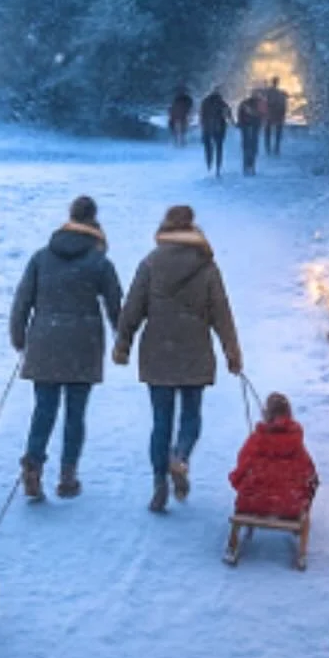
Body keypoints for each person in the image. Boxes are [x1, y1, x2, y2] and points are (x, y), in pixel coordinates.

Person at [113, 204, 243, 513]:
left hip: (158, 349)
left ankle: (160, 483)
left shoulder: (151, 263)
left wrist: (123, 344)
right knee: (191, 415)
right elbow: (221, 312)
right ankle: (180, 457)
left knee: (161, 420)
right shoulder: (206, 266)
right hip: (194, 349)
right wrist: (232, 351)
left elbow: (133, 307)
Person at [9, 194, 122, 500]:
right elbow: (115, 305)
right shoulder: (99, 262)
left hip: (45, 339)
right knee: (75, 413)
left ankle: (33, 464)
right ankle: (67, 476)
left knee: (44, 408)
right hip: (83, 344)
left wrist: (19, 335)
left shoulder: (41, 257)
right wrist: (123, 339)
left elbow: (23, 300)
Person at [230, 391, 318, 518]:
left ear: (266, 413)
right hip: (291, 506)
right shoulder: (296, 443)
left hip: (252, 503)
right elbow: (310, 476)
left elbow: (240, 473)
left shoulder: (255, 440)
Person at [199, 87, 232, 176]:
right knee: (219, 148)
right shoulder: (221, 102)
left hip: (207, 127)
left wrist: (202, 125)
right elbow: (228, 113)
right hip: (219, 128)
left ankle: (209, 163)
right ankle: (217, 167)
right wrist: (231, 121)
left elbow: (202, 114)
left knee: (208, 147)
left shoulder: (205, 101)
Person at [236, 94, 262, 175]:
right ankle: (252, 167)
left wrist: (240, 123)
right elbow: (261, 116)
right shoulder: (258, 105)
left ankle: (246, 167)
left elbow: (239, 115)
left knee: (246, 147)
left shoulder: (244, 103)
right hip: (254, 127)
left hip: (245, 127)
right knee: (253, 147)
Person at [263, 76, 288, 155]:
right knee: (276, 132)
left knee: (269, 132)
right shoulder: (280, 93)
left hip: (271, 114)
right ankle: (275, 148)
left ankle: (270, 148)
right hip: (276, 114)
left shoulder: (270, 92)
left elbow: (265, 102)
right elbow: (284, 106)